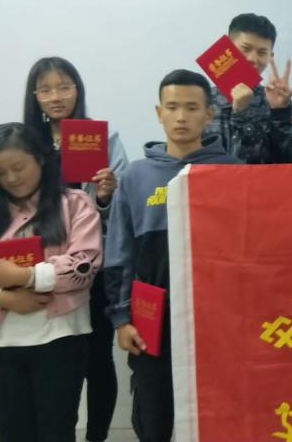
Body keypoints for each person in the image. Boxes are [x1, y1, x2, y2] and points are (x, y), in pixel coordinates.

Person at [104, 69, 241, 442]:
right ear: (159, 112)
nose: (182, 117)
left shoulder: (232, 172)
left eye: (192, 108)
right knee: (154, 416)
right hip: (153, 321)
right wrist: (121, 319)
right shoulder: (136, 177)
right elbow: (119, 253)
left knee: (220, 418)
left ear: (208, 113)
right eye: (173, 107)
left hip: (217, 321)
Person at [22, 56, 128, 442]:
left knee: (98, 358)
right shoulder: (23, 142)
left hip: (91, 265)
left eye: (64, 87)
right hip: (41, 267)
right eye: (46, 89)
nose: (56, 96)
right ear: (35, 96)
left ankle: (96, 436)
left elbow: (120, 211)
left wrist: (105, 194)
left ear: (77, 91)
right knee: (52, 358)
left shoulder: (102, 137)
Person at [0, 123, 102, 442]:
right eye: (0, 172)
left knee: (57, 433)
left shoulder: (75, 204)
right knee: (12, 434)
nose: (11, 178)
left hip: (60, 340)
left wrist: (26, 276)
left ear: (41, 158)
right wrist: (5, 299)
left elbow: (85, 265)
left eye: (19, 167)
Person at [205, 13, 292, 163]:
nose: (252, 59)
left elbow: (284, 159)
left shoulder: (278, 103)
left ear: (270, 56)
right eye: (245, 49)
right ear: (228, 48)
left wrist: (279, 112)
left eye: (262, 52)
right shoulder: (204, 100)